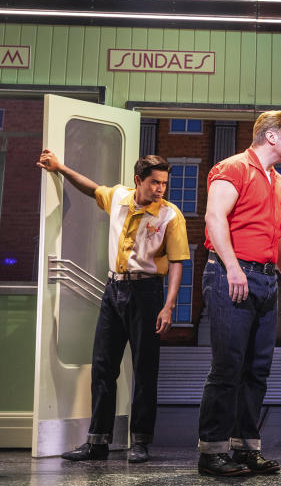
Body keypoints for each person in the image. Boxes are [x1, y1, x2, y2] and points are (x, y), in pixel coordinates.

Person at [37, 151, 189, 464]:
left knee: (146, 370)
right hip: (113, 289)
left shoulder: (170, 216)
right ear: (139, 181)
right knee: (103, 366)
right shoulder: (119, 197)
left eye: (164, 183)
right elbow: (91, 188)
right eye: (154, 182)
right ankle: (97, 442)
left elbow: (177, 264)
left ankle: (141, 442)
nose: (160, 188)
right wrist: (60, 167)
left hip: (146, 293)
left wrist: (169, 306)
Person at [196, 110, 281, 476]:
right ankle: (212, 452)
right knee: (227, 367)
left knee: (257, 369)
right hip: (230, 275)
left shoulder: (280, 182)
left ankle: (245, 448)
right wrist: (233, 267)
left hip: (265, 279)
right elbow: (214, 218)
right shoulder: (233, 168)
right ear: (271, 137)